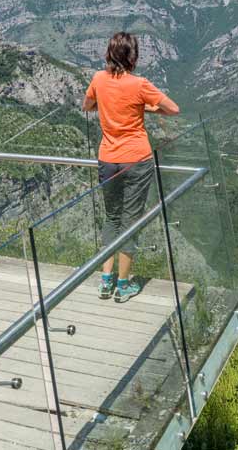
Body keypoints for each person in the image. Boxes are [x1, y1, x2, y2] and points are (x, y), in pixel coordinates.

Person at [82, 31, 180, 302]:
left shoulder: (98, 79)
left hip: (107, 158)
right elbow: (173, 109)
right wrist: (144, 108)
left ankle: (106, 280)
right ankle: (123, 285)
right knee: (130, 220)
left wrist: (107, 106)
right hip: (137, 159)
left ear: (109, 55)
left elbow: (87, 106)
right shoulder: (140, 85)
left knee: (111, 217)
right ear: (132, 57)